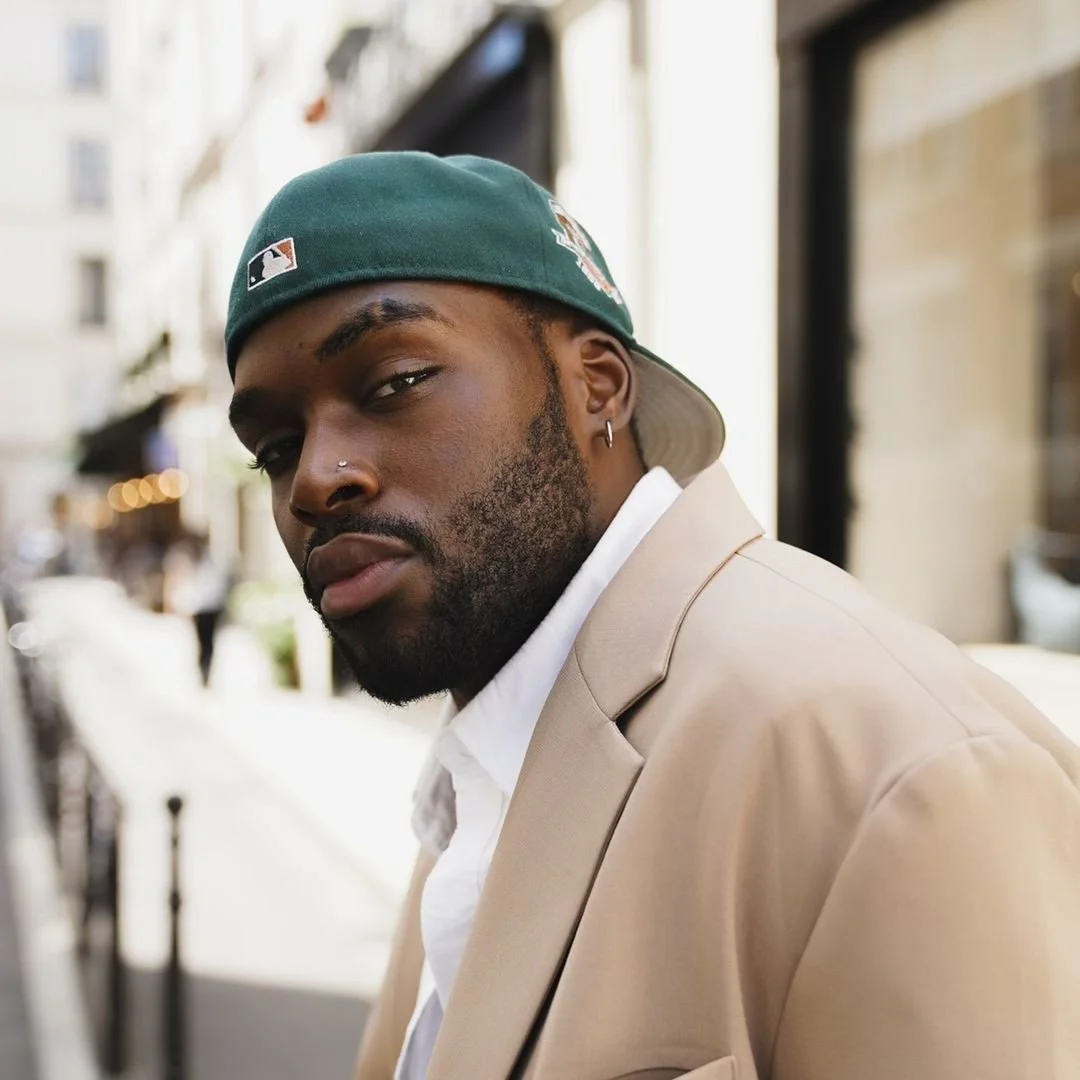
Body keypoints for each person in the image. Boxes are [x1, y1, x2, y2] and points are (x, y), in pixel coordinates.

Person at [223, 153, 1080, 1080]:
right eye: (276, 446)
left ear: (597, 386)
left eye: (395, 382)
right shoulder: (479, 767)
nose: (314, 480)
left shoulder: (890, 767)